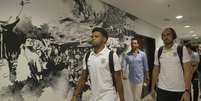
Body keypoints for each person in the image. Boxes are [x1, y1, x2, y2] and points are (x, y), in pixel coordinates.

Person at [71, 27, 124, 101]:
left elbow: (118, 80)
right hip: (94, 96)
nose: (93, 38)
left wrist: (122, 99)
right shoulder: (88, 56)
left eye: (96, 36)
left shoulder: (112, 55)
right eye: (92, 36)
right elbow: (83, 78)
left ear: (104, 39)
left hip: (109, 95)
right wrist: (75, 95)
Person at [151, 28, 191, 101]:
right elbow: (155, 70)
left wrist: (187, 91)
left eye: (168, 34)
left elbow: (188, 71)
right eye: (163, 35)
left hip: (179, 90)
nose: (166, 37)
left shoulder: (181, 49)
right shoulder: (158, 51)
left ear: (173, 36)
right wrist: (152, 88)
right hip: (162, 89)